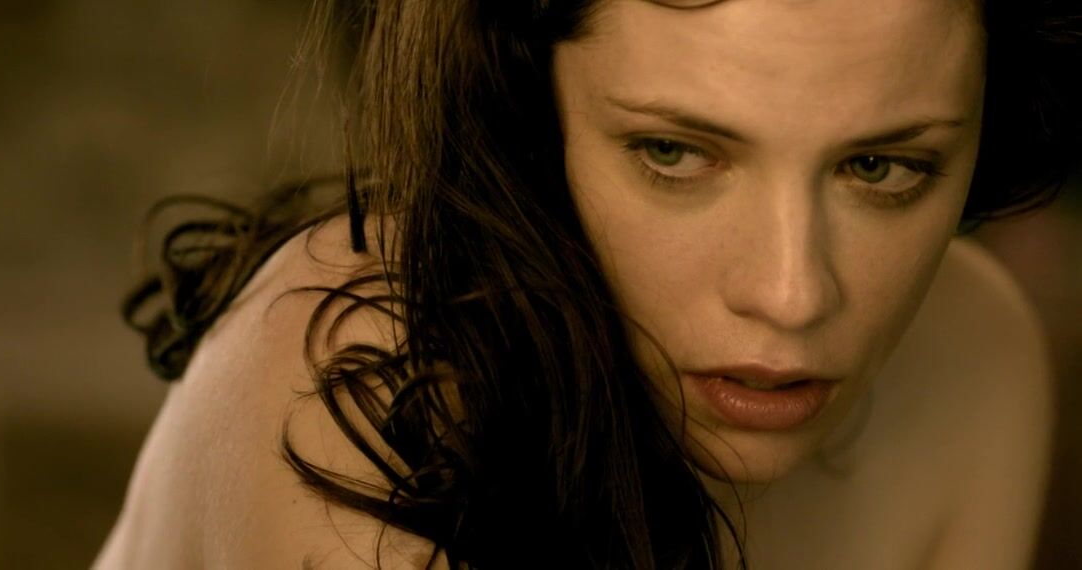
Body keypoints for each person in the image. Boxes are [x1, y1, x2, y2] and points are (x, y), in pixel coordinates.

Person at [97, 0, 1079, 567]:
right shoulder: (354, 386)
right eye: (672, 152)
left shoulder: (973, 352)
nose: (791, 296)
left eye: (880, 168)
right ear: (531, 110)